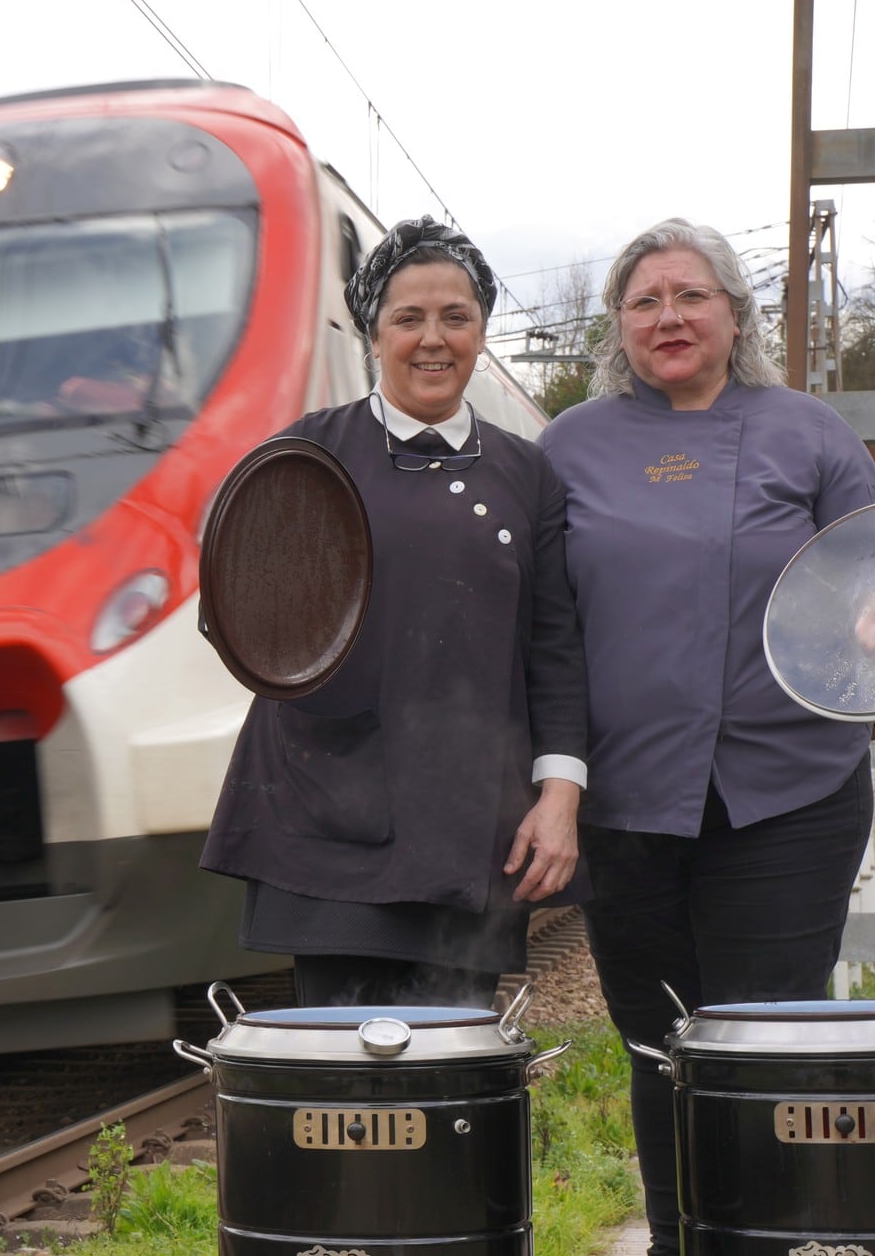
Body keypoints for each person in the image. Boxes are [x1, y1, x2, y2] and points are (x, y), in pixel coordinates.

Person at [538, 218, 875, 1256]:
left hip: (783, 791)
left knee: (766, 1043)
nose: (668, 318)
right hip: (628, 800)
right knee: (657, 1048)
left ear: (734, 314)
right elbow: (540, 622)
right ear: (617, 327)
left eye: (690, 296)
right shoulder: (571, 447)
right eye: (643, 302)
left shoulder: (806, 432)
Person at [201, 217, 589, 1009]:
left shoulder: (527, 474)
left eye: (457, 317)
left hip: (470, 825)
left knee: (453, 1081)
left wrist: (560, 795)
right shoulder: (308, 455)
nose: (433, 339)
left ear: (482, 330)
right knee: (343, 1083)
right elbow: (244, 615)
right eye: (408, 319)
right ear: (372, 334)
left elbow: (554, 648)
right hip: (329, 826)